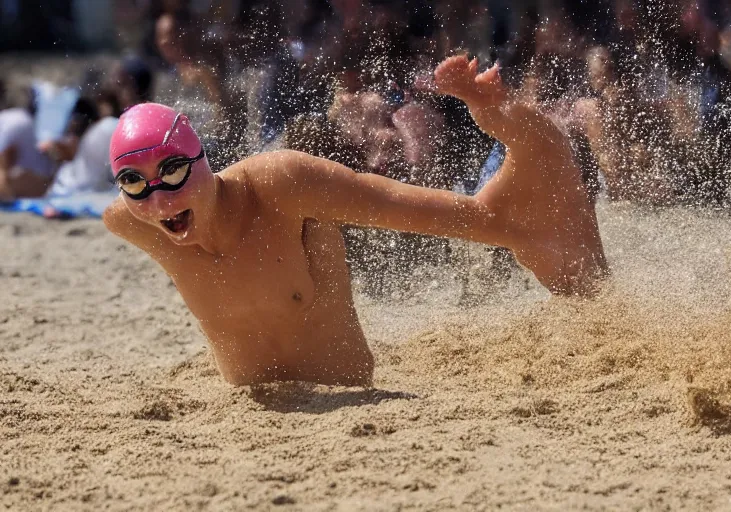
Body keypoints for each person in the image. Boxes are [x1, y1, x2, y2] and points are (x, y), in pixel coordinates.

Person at [103, 56, 607, 386]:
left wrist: (512, 231)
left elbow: (404, 208)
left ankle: (526, 162)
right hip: (253, 437)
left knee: (463, 223)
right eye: (134, 183)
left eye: (171, 171)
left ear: (201, 159)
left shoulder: (277, 185)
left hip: (351, 410)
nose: (159, 196)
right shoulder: (131, 223)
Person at [0, 92, 56, 200]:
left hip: (35, 179)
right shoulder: (16, 118)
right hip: (39, 179)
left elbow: (4, 159)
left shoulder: (14, 121)